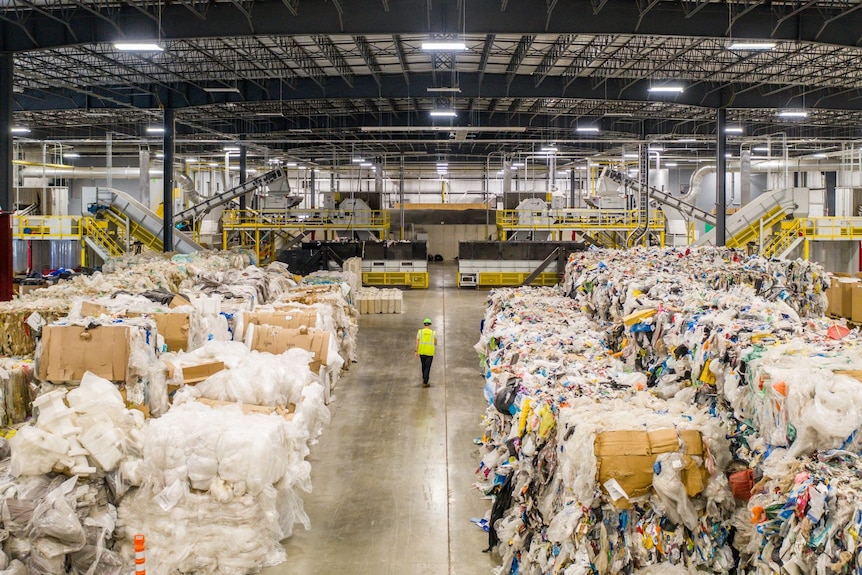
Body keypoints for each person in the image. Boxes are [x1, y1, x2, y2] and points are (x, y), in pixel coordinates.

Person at [415, 318, 438, 387]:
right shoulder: (433, 333)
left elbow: (417, 341)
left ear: (424, 324)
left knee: (423, 366)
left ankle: (424, 378)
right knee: (428, 367)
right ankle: (425, 381)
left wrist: (416, 351)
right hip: (430, 352)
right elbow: (435, 343)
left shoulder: (420, 332)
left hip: (422, 351)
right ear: (430, 324)